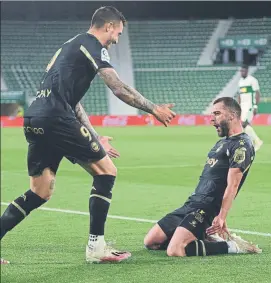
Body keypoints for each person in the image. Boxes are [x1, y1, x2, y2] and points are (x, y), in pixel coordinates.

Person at [0, 6, 176, 264]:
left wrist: (95, 137)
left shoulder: (68, 47)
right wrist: (153, 109)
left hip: (34, 118)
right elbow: (117, 87)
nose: (117, 39)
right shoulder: (92, 44)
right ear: (108, 26)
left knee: (39, 192)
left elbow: (74, 103)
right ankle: (97, 248)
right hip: (56, 118)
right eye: (117, 32)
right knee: (107, 171)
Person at [144, 97, 262, 257]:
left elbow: (232, 185)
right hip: (191, 204)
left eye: (217, 113)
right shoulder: (221, 143)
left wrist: (221, 215)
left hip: (205, 208)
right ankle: (203, 237)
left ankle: (232, 247)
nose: (212, 119)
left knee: (175, 250)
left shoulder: (242, 145)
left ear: (232, 115)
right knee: (151, 241)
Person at [238, 64, 263, 151]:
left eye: (243, 71)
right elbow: (240, 95)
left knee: (245, 124)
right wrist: (239, 106)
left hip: (250, 105)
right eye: (241, 71)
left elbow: (257, 93)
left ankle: (257, 141)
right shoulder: (240, 81)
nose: (242, 72)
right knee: (245, 125)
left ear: (247, 71)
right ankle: (253, 143)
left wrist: (255, 106)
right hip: (243, 106)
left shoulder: (252, 80)